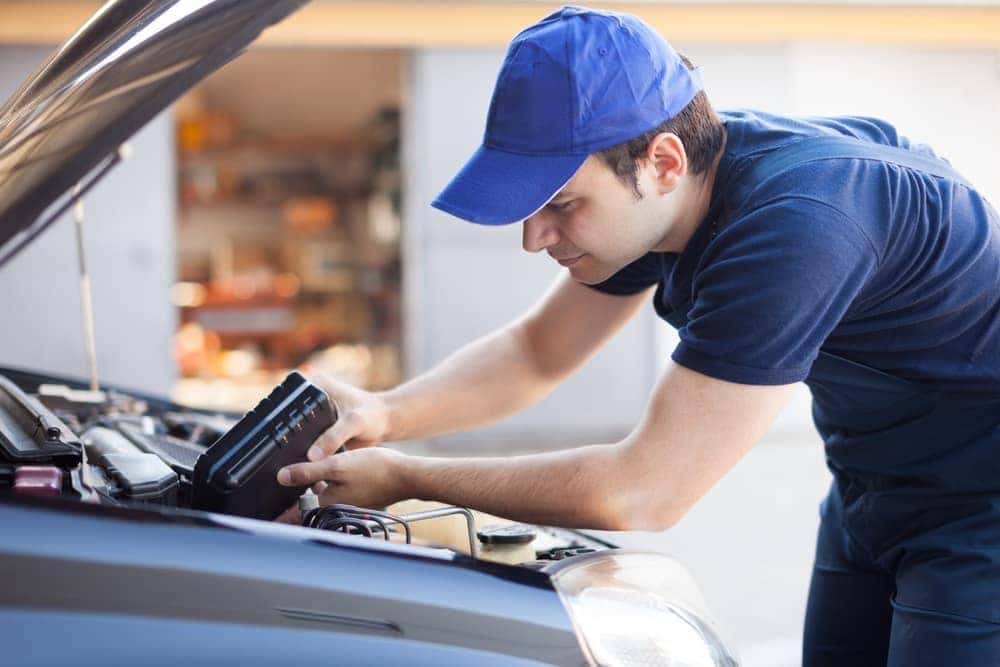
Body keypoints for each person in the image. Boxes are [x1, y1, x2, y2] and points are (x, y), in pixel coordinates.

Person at [277, 6, 1000, 664]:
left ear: (661, 162)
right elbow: (537, 353)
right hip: (872, 489)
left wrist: (406, 477)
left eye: (560, 204)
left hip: (982, 510)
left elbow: (645, 490)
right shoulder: (673, 197)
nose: (534, 238)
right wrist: (384, 412)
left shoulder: (797, 224)